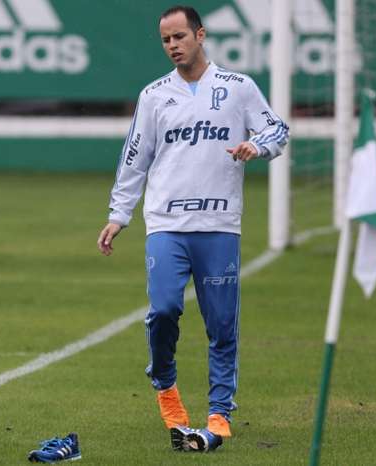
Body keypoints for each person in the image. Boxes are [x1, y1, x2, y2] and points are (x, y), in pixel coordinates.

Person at [96, 5, 289, 453]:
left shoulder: (238, 88)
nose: (173, 45)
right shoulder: (154, 96)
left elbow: (277, 130)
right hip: (167, 224)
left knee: (222, 325)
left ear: (200, 35)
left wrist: (255, 145)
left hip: (220, 224)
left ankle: (219, 415)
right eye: (165, 40)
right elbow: (134, 158)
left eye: (180, 36)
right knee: (163, 310)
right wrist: (118, 214)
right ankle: (166, 389)